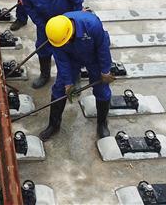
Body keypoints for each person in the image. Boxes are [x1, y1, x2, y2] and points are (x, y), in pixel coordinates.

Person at [39, 11, 116, 141]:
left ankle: (102, 123)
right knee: (60, 88)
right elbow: (62, 61)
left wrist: (105, 71)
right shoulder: (56, 36)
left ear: (70, 31)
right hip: (71, 58)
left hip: (94, 56)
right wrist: (68, 83)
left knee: (102, 89)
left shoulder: (92, 24)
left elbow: (102, 48)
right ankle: (53, 125)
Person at [10, 0, 84, 89]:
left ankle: (75, 76)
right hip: (45, 21)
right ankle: (45, 74)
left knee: (72, 48)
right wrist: (41, 24)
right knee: (42, 47)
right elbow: (28, 7)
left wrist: (75, 17)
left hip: (67, 19)